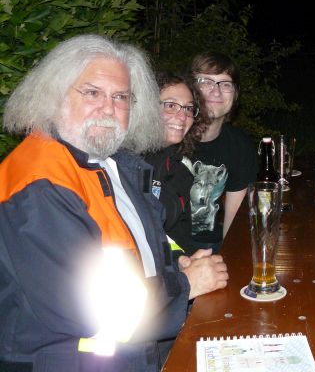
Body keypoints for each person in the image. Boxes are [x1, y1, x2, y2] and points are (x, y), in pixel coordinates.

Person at [0, 34, 228, 371]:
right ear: (55, 95)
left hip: (135, 353)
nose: (108, 108)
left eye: (120, 97)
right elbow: (91, 309)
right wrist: (185, 285)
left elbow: (135, 251)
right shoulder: (39, 181)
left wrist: (176, 267)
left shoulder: (112, 163)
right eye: (92, 92)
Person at [186, 51, 257, 253]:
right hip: (165, 245)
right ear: (189, 88)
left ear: (235, 94)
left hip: (211, 246)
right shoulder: (170, 138)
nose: (216, 92)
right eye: (206, 82)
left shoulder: (240, 147)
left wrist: (225, 258)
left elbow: (234, 222)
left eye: (225, 84)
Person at [144, 72, 209, 254]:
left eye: (188, 108)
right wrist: (181, 262)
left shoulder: (180, 167)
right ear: (147, 106)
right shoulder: (126, 164)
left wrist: (191, 259)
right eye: (171, 106)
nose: (182, 116)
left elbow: (180, 232)